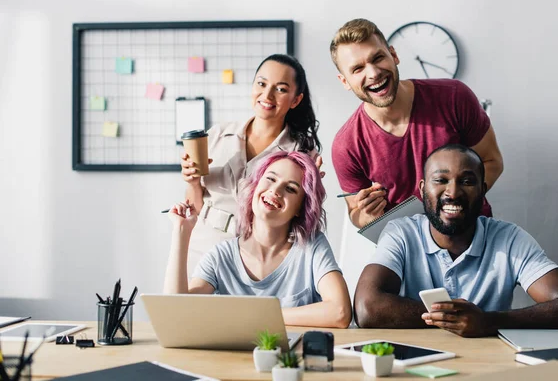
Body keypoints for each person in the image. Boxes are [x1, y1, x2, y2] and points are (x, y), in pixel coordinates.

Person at [353, 144, 558, 337]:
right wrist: (452, 318)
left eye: (467, 181)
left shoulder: (509, 239)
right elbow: (366, 308)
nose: (453, 192)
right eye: (441, 180)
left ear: (482, 189)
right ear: (422, 188)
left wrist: (488, 321)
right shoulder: (401, 233)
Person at [329, 19, 504, 229]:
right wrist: (367, 215)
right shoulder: (347, 145)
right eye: (357, 69)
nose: (373, 73)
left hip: (471, 232)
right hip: (406, 245)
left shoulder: (455, 97)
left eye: (378, 58)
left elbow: (492, 161)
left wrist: (457, 203)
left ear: (393, 55)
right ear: (344, 81)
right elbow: (356, 214)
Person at [165, 151, 352, 328]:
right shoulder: (220, 257)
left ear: (300, 208)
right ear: (254, 186)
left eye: (290, 188)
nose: (276, 190)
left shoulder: (312, 247)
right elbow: (174, 313)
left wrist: (260, 315)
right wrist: (181, 231)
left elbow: (340, 312)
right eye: (270, 179)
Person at [180, 54, 323, 274]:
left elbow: (302, 220)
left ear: (296, 100)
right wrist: (192, 181)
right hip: (201, 246)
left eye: (281, 89)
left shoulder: (300, 154)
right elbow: (194, 208)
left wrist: (312, 191)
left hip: (255, 256)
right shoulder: (217, 135)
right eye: (262, 83)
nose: (267, 95)